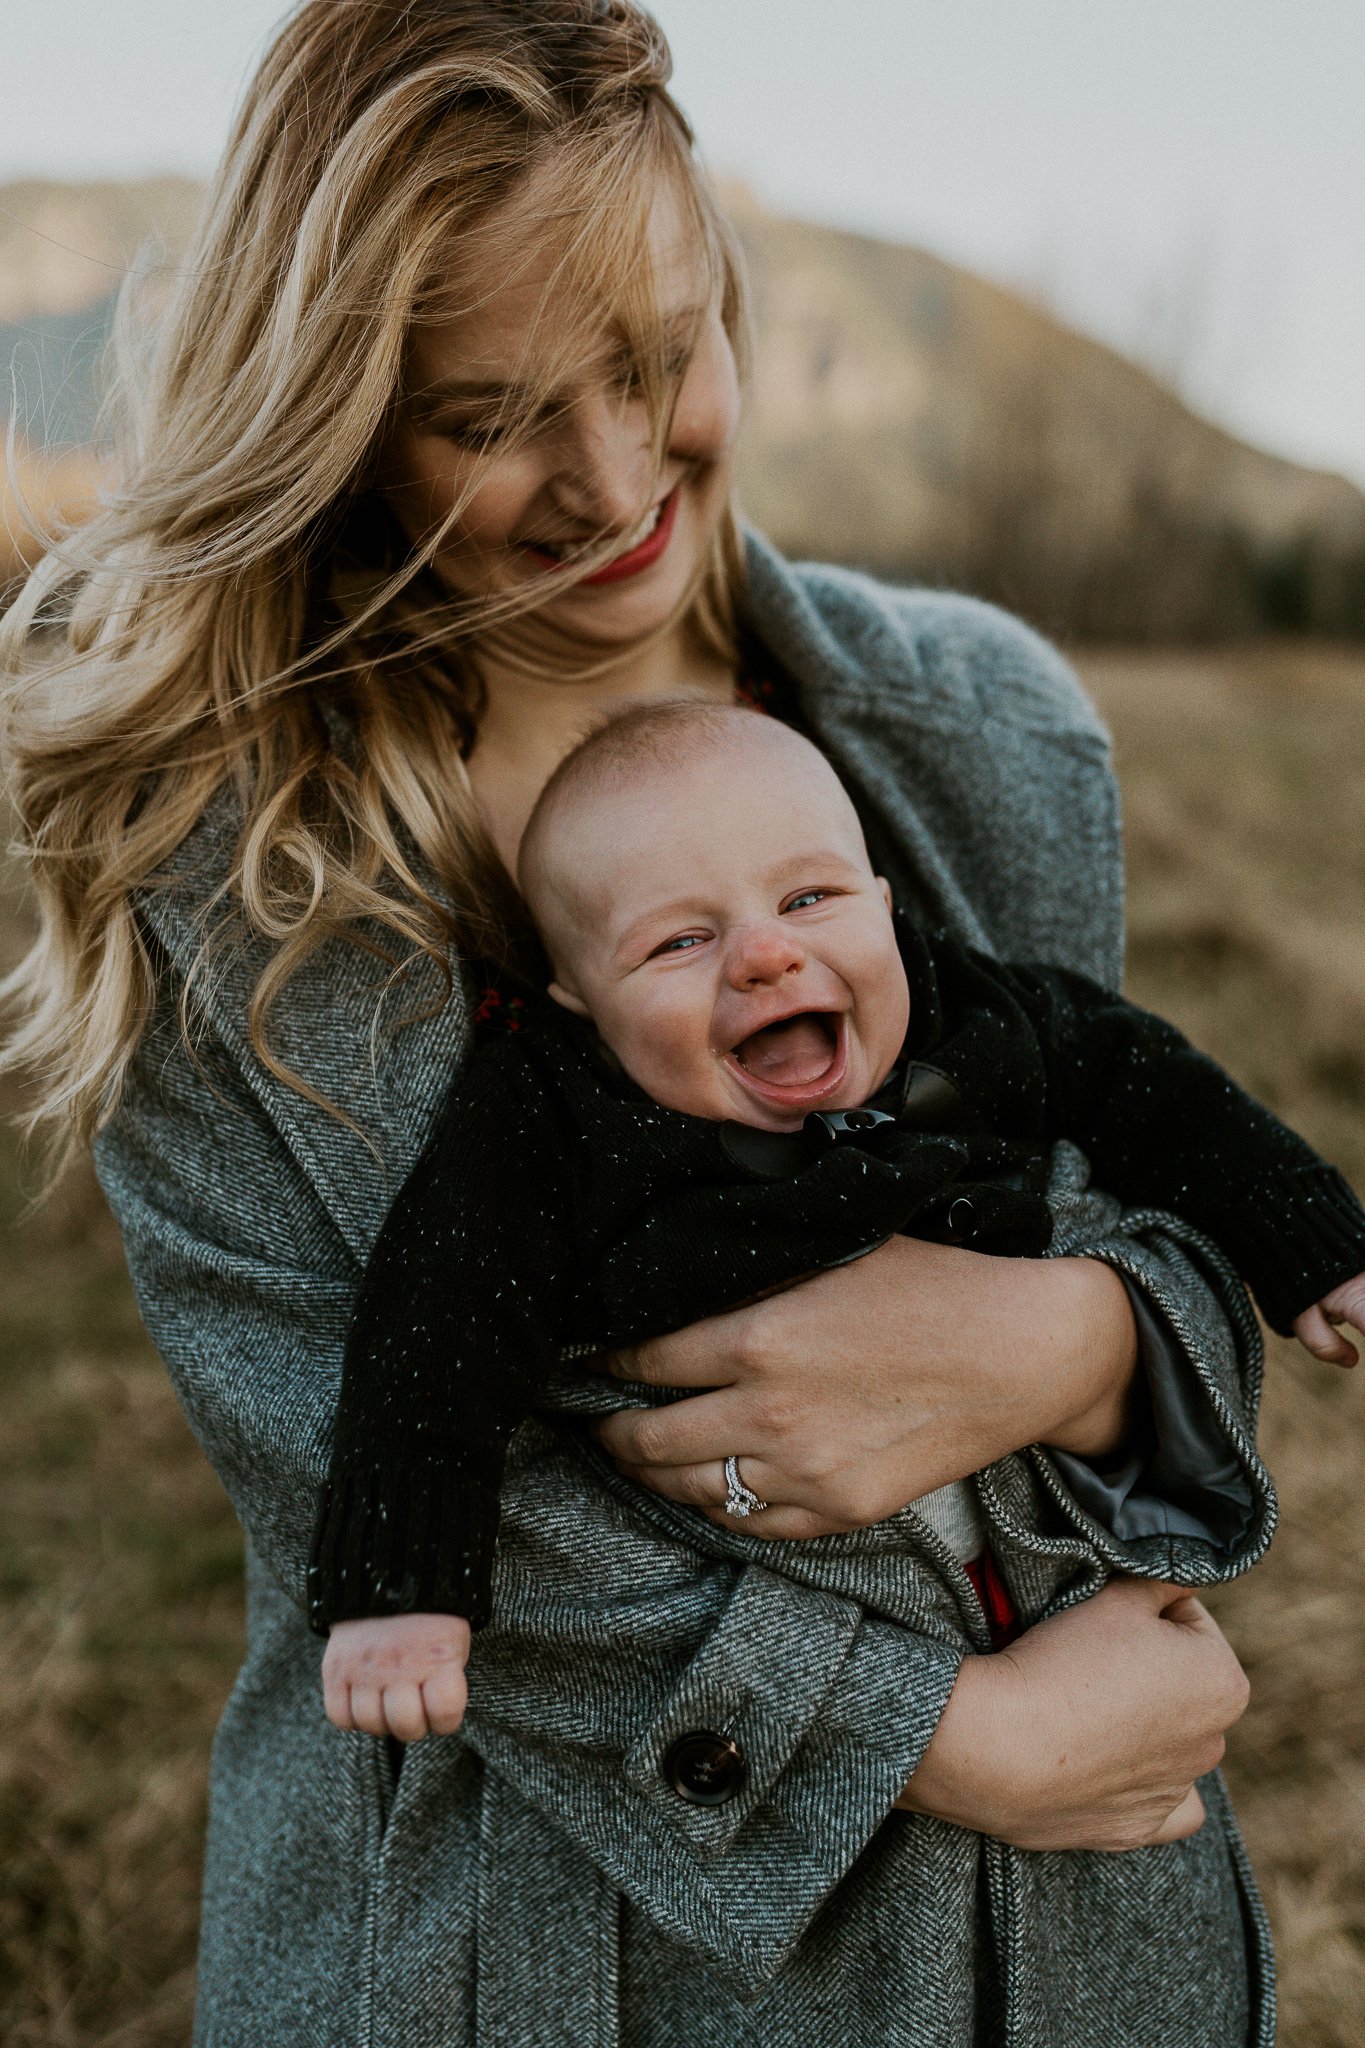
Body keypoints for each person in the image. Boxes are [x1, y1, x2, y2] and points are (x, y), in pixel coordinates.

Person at [0, 5, 1278, 2043]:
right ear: (337, 414)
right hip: (521, 1941)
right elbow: (365, 1467)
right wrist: (953, 1735)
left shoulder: (991, 735)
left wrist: (1085, 1341)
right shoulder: (201, 829)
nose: (610, 481)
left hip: (1056, 1951)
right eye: (489, 415)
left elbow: (1160, 1202)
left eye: (657, 356)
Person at [311, 698, 1365, 1738]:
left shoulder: (972, 1012)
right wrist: (402, 1581)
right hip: (792, 1622)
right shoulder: (552, 1116)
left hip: (1054, 1566)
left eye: (811, 896)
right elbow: (435, 1323)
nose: (766, 955)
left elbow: (1159, 1090)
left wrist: (1313, 1245)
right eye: (678, 940)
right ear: (578, 998)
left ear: (883, 896)